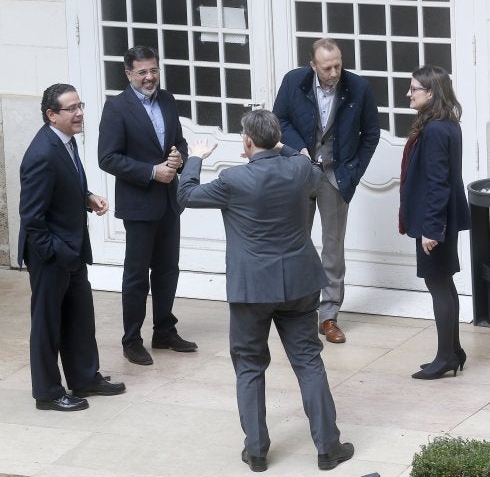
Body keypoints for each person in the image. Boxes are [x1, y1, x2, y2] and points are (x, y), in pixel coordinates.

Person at [177, 109, 354, 472]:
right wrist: (278, 146)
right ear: (276, 139)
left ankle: (256, 451)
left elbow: (187, 195)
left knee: (249, 367)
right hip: (300, 284)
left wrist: (194, 157)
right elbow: (311, 167)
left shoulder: (233, 179)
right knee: (308, 361)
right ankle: (328, 447)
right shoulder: (301, 170)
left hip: (252, 288)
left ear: (246, 142)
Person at [18, 83, 126, 411]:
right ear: (52, 115)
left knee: (80, 316)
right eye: (72, 108)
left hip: (72, 248)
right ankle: (48, 393)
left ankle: (84, 378)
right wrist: (55, 253)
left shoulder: (66, 142)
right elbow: (32, 218)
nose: (79, 113)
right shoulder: (41, 154)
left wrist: (87, 197)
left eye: (81, 105)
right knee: (48, 324)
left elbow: (65, 185)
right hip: (52, 254)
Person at [273, 38, 380, 343]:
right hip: (300, 172)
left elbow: (372, 133)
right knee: (295, 242)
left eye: (338, 64)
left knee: (333, 248)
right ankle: (295, 310)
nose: (334, 72)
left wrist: (354, 170)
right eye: (327, 67)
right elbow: (279, 118)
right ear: (313, 66)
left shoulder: (358, 87)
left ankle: (329, 316)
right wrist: (298, 149)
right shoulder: (294, 81)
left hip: (336, 176)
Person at [98, 45, 196, 366]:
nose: (150, 77)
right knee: (137, 274)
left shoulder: (167, 99)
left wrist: (179, 157)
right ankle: (132, 339)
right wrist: (152, 172)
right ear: (128, 74)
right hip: (139, 204)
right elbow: (107, 157)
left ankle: (164, 331)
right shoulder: (116, 108)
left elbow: (178, 140)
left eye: (153, 70)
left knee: (168, 269)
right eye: (142, 72)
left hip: (170, 201)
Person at [399, 65, 470, 380]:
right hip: (441, 219)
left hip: (436, 221)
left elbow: (438, 182)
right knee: (443, 281)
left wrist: (432, 228)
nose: (409, 94)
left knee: (438, 284)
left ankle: (446, 357)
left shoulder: (436, 129)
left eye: (414, 88)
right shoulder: (445, 124)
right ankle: (452, 351)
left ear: (431, 92)